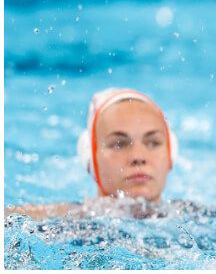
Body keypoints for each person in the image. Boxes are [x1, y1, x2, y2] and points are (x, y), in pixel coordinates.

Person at [4, 88, 189, 220]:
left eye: (153, 142)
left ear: (171, 154)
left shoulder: (195, 218)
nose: (138, 156)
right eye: (119, 144)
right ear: (90, 159)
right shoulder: (61, 221)